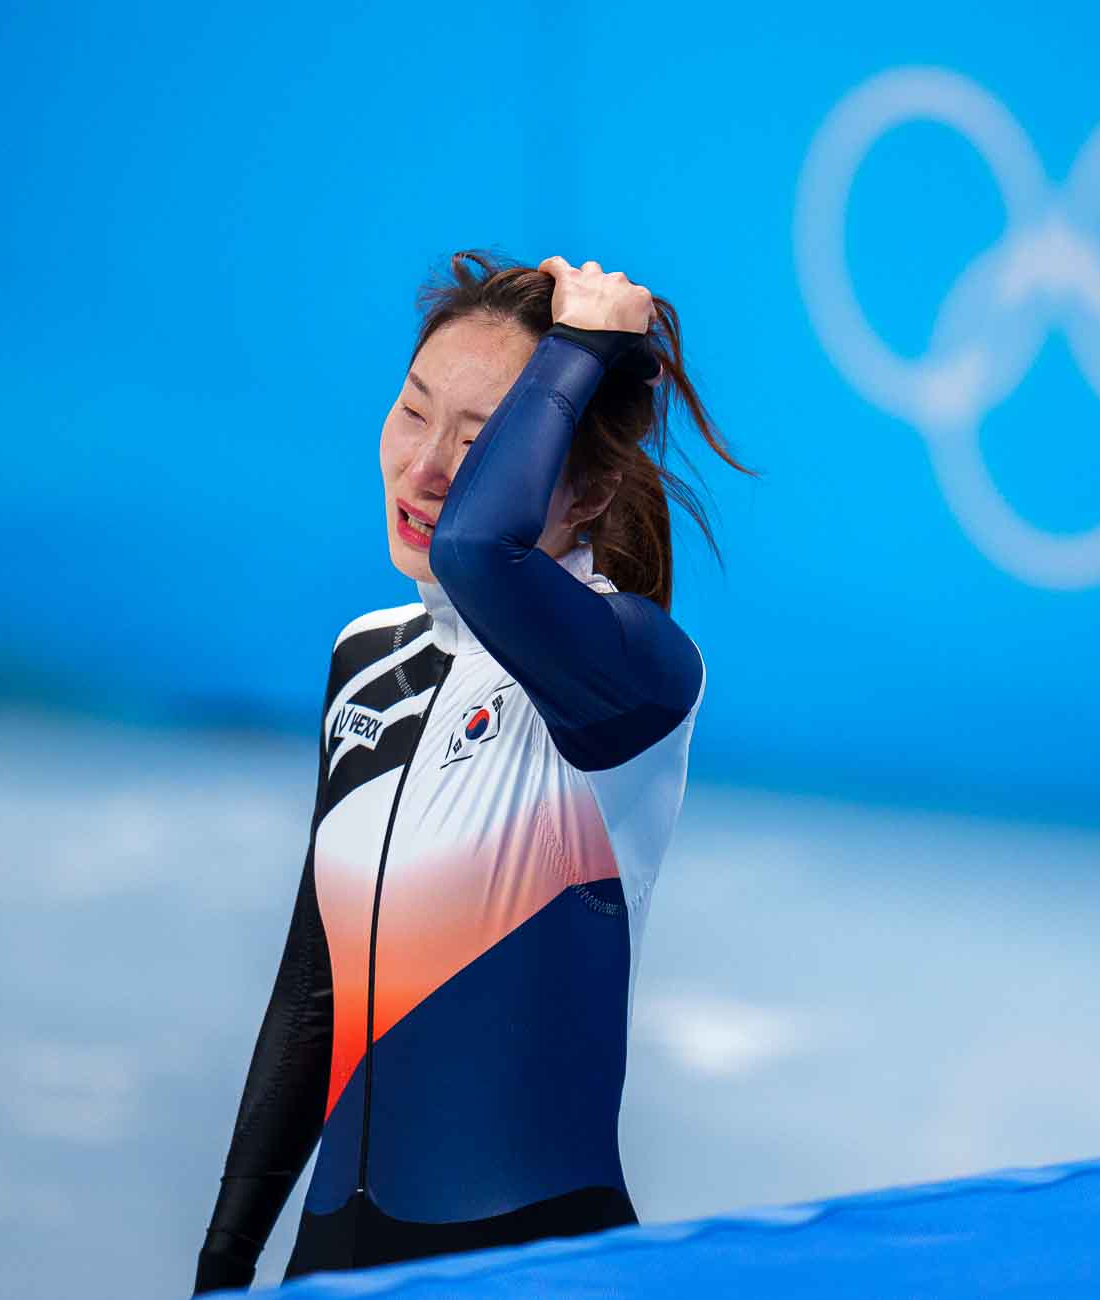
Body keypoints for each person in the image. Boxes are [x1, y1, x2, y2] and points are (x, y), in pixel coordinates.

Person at [192, 251, 754, 1293]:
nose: (425, 468)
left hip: (535, 1265)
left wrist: (588, 344)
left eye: (482, 437)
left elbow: (480, 553)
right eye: (413, 413)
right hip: (336, 1264)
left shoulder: (630, 668)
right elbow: (314, 989)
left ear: (582, 486)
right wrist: (226, 1259)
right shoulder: (368, 658)